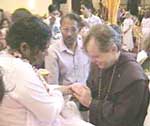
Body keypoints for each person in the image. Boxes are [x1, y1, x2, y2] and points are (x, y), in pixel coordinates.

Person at [71, 24, 150, 126]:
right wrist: (79, 94)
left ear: (113, 49)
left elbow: (124, 119)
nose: (93, 61)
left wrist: (91, 102)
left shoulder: (134, 78)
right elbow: (92, 89)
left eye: (96, 56)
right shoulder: (98, 65)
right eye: (91, 57)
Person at [0, 16, 64, 126]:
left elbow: (33, 90)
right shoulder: (20, 70)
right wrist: (59, 93)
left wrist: (61, 89)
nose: (47, 54)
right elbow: (50, 113)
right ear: (25, 47)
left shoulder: (5, 59)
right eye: (44, 49)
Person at [45, 13, 90, 85]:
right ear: (60, 29)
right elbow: (52, 85)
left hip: (85, 93)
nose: (69, 34)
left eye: (73, 29)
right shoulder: (53, 51)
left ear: (79, 30)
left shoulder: (85, 47)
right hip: (64, 95)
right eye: (65, 29)